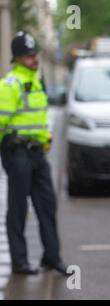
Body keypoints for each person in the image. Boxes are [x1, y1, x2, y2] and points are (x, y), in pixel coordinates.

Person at [0, 31, 68, 276]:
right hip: (17, 153)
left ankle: (52, 257)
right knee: (18, 208)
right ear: (17, 58)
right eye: (28, 55)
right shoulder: (10, 84)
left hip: (38, 153)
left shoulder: (37, 80)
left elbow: (38, 117)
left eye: (34, 54)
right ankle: (19, 261)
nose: (33, 58)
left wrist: (46, 138)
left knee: (46, 206)